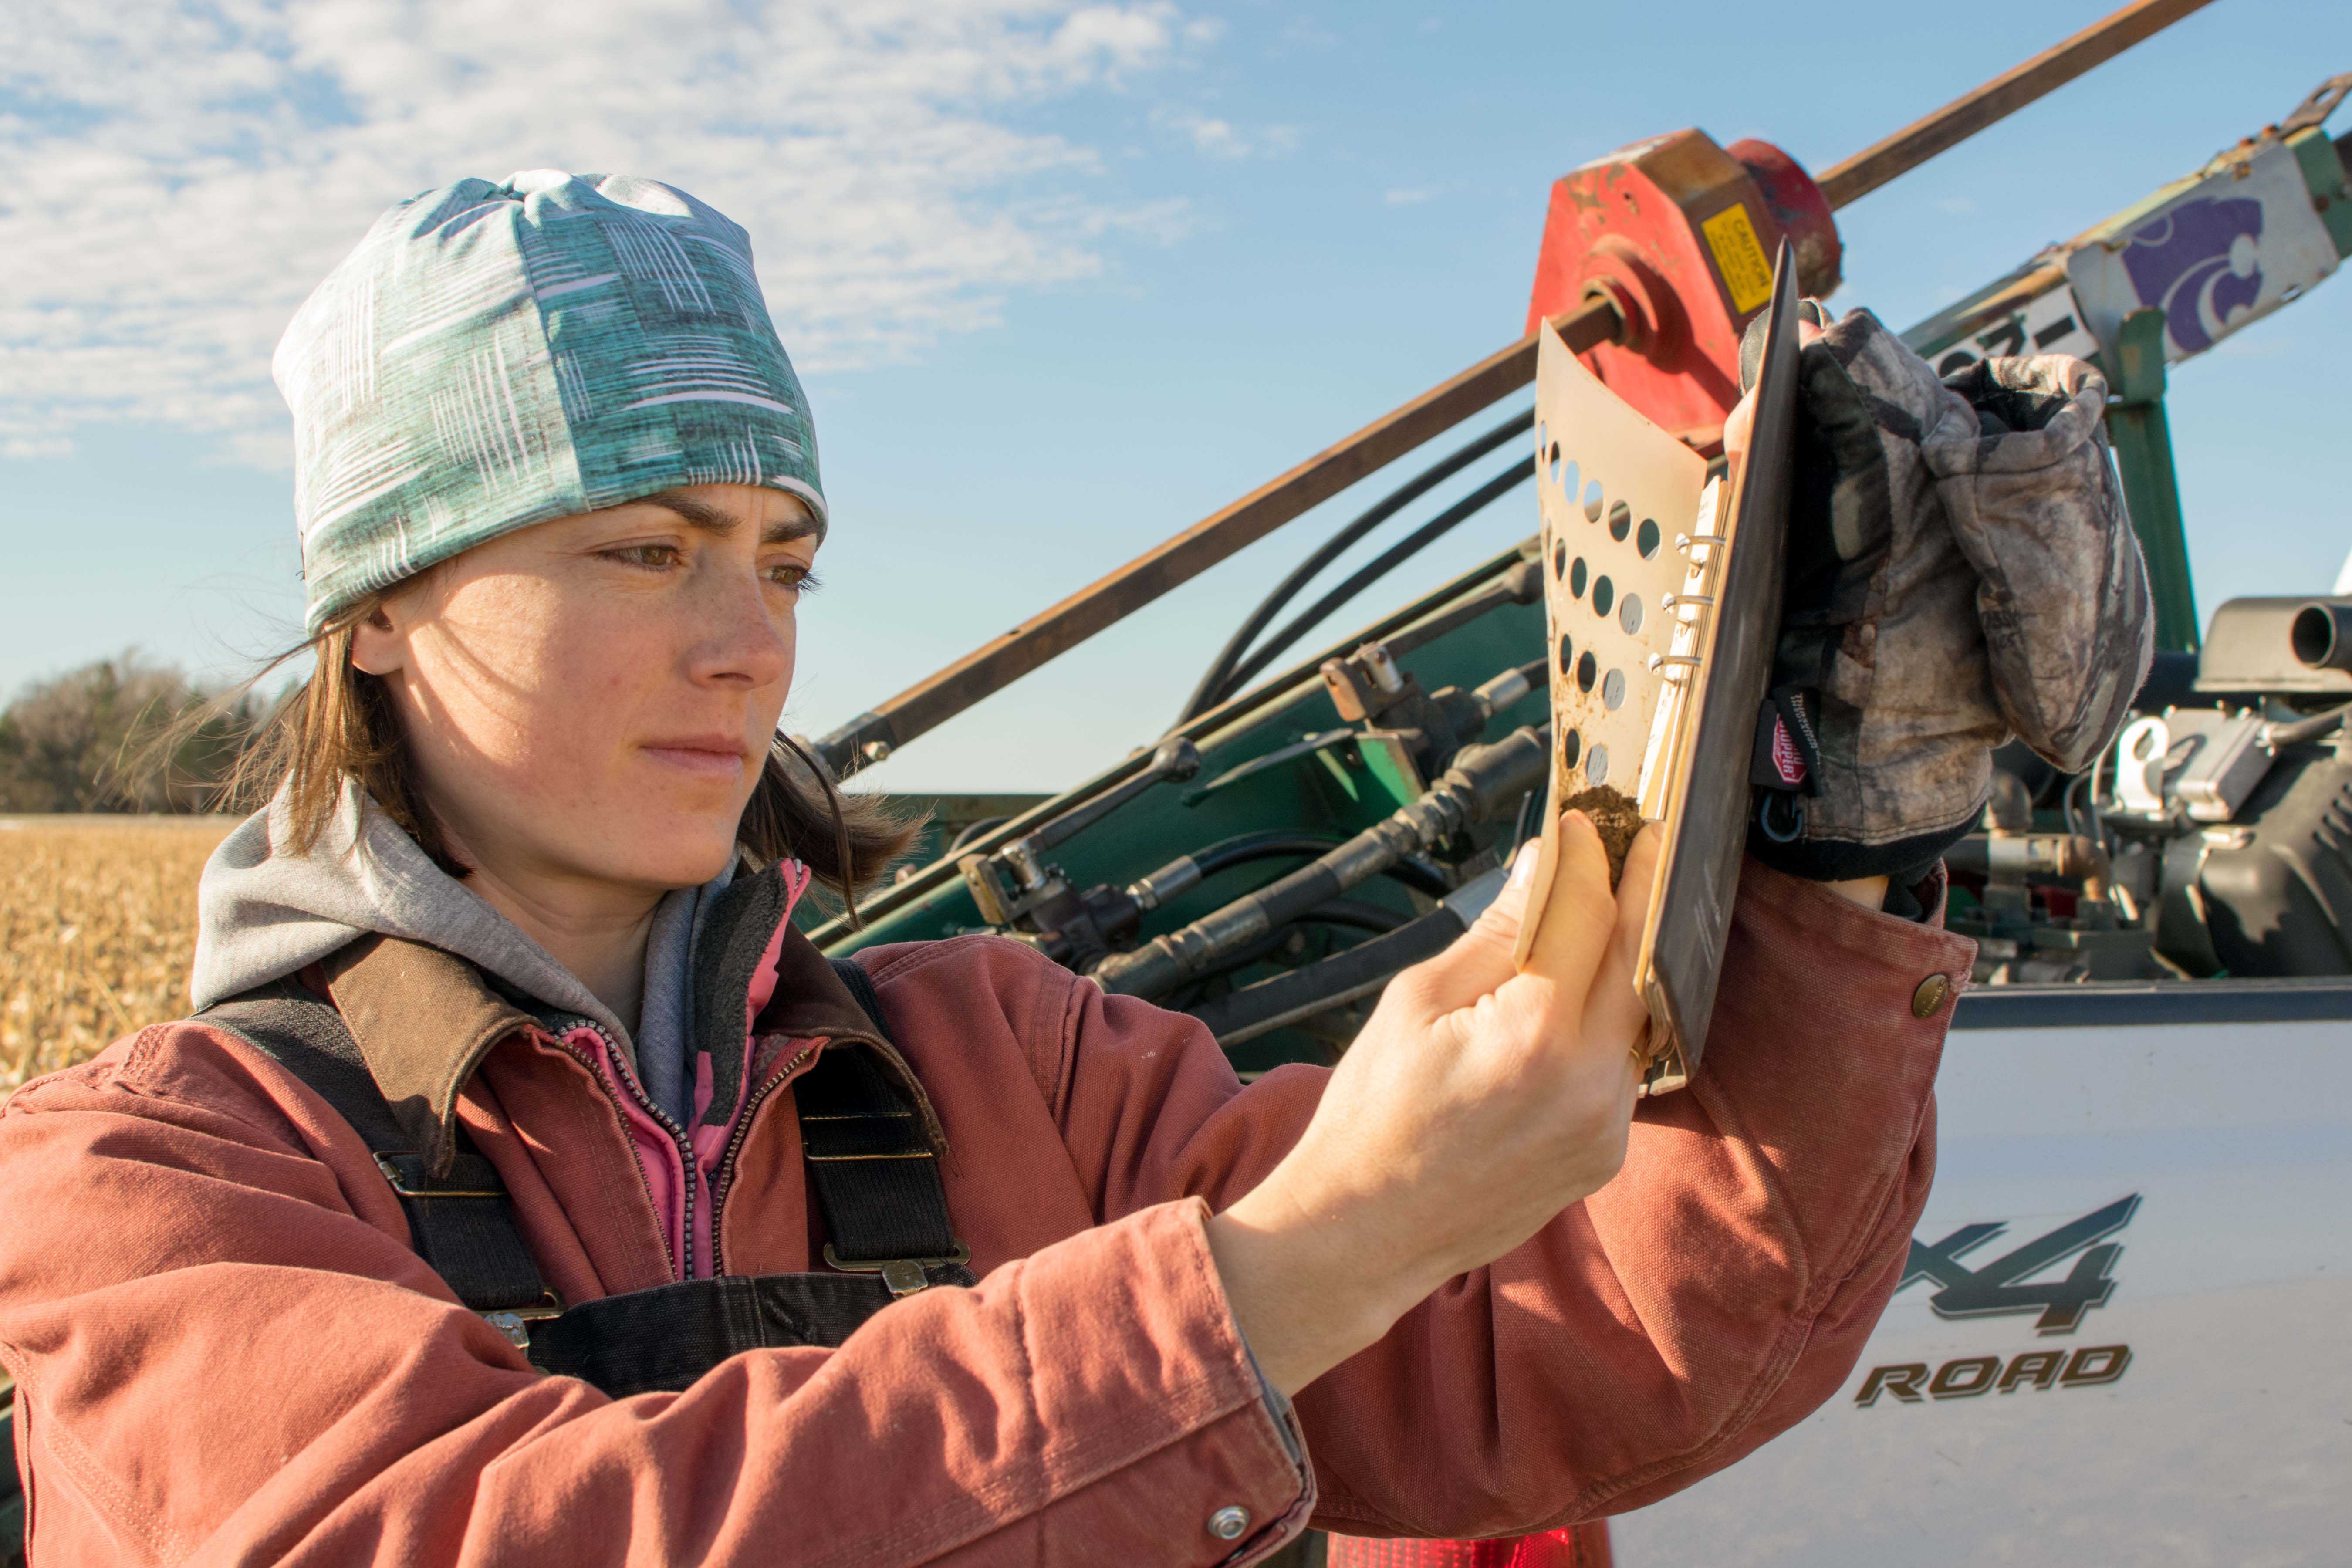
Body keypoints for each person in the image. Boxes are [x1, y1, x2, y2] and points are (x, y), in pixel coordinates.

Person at [0, 171, 2143, 1566]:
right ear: (375, 606)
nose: (746, 640)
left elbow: (1573, 1363)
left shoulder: (1006, 1063)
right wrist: (1286, 1272)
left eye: (782, 558)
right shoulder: (154, 1183)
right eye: (639, 550)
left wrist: (1842, 873)